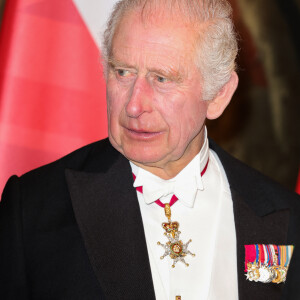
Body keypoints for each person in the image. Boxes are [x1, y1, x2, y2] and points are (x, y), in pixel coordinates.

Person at [0, 0, 299, 299]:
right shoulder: (33, 209)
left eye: (161, 78)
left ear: (218, 94)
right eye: (123, 72)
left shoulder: (285, 219)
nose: (133, 105)